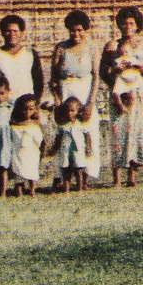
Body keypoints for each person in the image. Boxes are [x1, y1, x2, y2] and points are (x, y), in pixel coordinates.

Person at [102, 6, 143, 187]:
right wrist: (115, 78)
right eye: (124, 23)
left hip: (137, 92)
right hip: (119, 91)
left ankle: (132, 175)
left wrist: (137, 66)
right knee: (118, 132)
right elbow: (103, 71)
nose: (127, 26)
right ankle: (116, 177)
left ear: (137, 25)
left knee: (135, 130)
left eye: (131, 23)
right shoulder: (112, 45)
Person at [50, 10, 102, 186]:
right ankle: (63, 178)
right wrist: (57, 101)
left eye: (80, 30)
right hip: (65, 93)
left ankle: (85, 177)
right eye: (73, 30)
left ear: (85, 29)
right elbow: (54, 78)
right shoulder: (60, 48)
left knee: (87, 133)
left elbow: (96, 75)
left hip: (84, 91)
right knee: (64, 135)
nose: (76, 34)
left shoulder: (92, 47)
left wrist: (90, 103)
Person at [51, 96, 93, 192]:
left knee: (78, 169)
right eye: (67, 111)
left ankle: (80, 187)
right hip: (65, 150)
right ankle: (66, 188)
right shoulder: (62, 125)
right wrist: (55, 147)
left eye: (72, 111)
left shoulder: (81, 124)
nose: (70, 113)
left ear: (78, 111)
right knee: (66, 170)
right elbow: (58, 137)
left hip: (78, 149)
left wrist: (88, 148)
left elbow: (87, 135)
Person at [7, 93, 45, 197]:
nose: (28, 112)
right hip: (18, 151)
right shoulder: (14, 125)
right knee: (18, 171)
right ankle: (18, 190)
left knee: (32, 170)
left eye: (31, 109)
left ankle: (32, 189)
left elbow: (39, 139)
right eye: (25, 109)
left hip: (31, 151)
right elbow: (11, 138)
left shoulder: (34, 125)